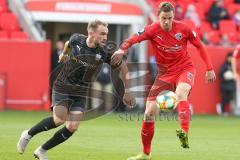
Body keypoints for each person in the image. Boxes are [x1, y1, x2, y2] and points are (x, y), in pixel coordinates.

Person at [17, 19, 136, 160]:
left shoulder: (105, 52)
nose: (105, 37)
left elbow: (123, 68)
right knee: (59, 119)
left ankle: (42, 150)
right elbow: (68, 44)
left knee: (72, 126)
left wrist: (128, 91)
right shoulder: (77, 39)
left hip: (81, 91)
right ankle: (28, 134)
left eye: (106, 34)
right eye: (102, 34)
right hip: (63, 85)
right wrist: (63, 54)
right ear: (91, 33)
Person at [111, 2, 216, 160]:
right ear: (158, 16)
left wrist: (209, 68)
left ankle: (184, 132)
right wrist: (121, 49)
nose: (166, 21)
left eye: (169, 18)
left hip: (184, 69)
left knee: (181, 93)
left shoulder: (184, 28)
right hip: (164, 74)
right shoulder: (152, 29)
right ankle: (146, 154)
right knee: (149, 113)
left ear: (173, 16)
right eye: (163, 18)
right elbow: (133, 38)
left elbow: (200, 46)